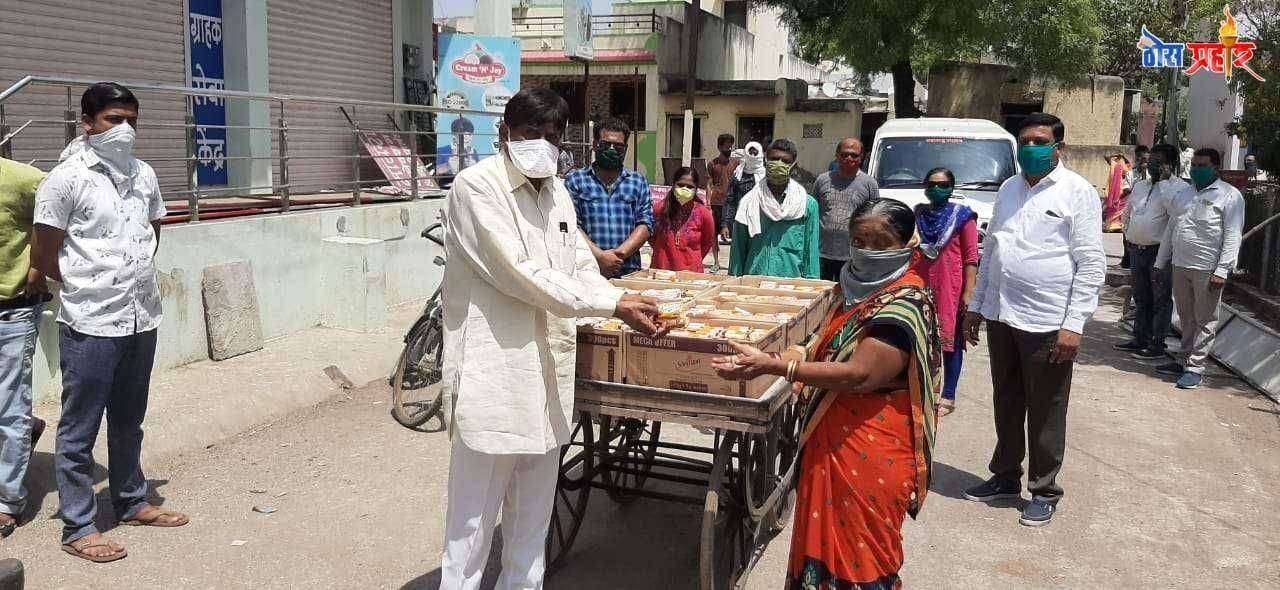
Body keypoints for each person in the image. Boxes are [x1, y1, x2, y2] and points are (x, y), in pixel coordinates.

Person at [437, 87, 662, 589]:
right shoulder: (477, 188)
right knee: (472, 529)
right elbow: (520, 273)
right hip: (495, 377)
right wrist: (612, 304)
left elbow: (577, 263)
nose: (541, 143)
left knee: (532, 523)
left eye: (552, 135)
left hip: (549, 377)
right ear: (505, 134)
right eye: (529, 133)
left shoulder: (558, 191)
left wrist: (621, 299)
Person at [711, 198, 941, 589]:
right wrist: (789, 353)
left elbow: (859, 374)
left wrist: (777, 367)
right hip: (832, 436)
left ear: (907, 244)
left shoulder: (904, 304)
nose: (866, 251)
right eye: (858, 240)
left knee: (861, 556)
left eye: (880, 243)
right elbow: (824, 340)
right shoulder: (852, 290)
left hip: (870, 450)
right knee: (822, 549)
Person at [31, 82, 189, 563]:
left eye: (131, 121)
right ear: (87, 123)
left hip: (141, 316)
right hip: (92, 321)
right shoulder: (65, 178)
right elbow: (44, 250)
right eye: (112, 120)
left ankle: (131, 500)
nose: (124, 130)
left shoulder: (143, 174)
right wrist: (86, 286)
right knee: (79, 428)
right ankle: (78, 526)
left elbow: (152, 230)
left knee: (129, 420)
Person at [960, 112, 1105, 527]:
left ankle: (1044, 489)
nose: (1030, 146)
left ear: (1057, 145)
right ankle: (1005, 475)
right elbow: (993, 252)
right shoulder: (1008, 189)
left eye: (1039, 140)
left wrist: (1074, 324)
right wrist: (977, 307)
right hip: (1004, 315)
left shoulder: (1077, 192)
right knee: (1006, 400)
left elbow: (1091, 264)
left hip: (1048, 320)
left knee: (1046, 407)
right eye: (1024, 139)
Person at [1153, 148, 1246, 390]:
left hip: (1208, 268)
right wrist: (1160, 262)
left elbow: (1233, 236)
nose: (1195, 169)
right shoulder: (1184, 194)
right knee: (1185, 316)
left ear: (1215, 167)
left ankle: (1195, 368)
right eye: (1193, 165)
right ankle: (1183, 359)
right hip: (1180, 265)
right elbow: (1171, 229)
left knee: (1205, 319)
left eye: (1201, 165)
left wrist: (1222, 270)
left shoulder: (1229, 196)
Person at [0, 156, 49, 540]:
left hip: (11, 313)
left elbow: (61, 215)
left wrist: (39, 267)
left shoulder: (22, 179)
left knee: (9, 407)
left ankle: (7, 502)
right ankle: (26, 432)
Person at [1114, 144, 1193, 361]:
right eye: (1152, 161)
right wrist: (1128, 235)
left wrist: (1165, 182)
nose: (1152, 165)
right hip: (1137, 249)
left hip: (1160, 252)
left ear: (1170, 163)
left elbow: (1175, 214)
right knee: (1141, 297)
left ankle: (1157, 343)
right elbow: (1128, 212)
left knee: (1160, 299)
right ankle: (1139, 337)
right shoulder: (1140, 185)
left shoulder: (1179, 189)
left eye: (1158, 161)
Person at [914, 167, 978, 417]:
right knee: (922, 336)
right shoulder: (919, 214)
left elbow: (971, 257)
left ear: (951, 188)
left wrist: (968, 292)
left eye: (942, 184)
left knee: (950, 341)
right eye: (932, 184)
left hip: (950, 286)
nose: (936, 189)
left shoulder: (963, 217)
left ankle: (949, 393)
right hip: (921, 282)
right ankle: (925, 387)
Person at [565, 117, 654, 278]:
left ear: (625, 149)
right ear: (594, 145)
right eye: (606, 145)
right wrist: (600, 257)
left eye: (618, 146)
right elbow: (571, 225)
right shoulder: (575, 180)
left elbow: (645, 224)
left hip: (629, 272)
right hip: (588, 271)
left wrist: (618, 256)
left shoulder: (638, 182)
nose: (612, 150)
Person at [727, 139, 820, 278]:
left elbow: (810, 254)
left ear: (794, 166)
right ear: (765, 161)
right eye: (774, 159)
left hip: (791, 289)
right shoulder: (749, 202)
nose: (779, 164)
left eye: (785, 161)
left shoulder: (806, 205)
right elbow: (738, 252)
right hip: (753, 287)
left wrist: (812, 289)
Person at [814, 138, 879, 281]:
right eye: (844, 154)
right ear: (837, 156)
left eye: (854, 155)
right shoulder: (822, 180)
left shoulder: (869, 184)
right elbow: (814, 213)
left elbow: (873, 219)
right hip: (822, 253)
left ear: (861, 158)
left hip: (853, 254)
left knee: (847, 296)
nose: (849, 158)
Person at [649, 167, 717, 272]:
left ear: (696, 189)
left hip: (691, 274)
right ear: (673, 185)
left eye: (690, 187)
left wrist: (693, 259)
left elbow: (707, 242)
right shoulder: (659, 209)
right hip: (661, 272)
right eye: (680, 185)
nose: (684, 189)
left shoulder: (703, 214)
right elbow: (651, 236)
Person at [721, 141, 764, 241]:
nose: (752, 156)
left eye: (755, 153)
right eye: (750, 153)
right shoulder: (738, 175)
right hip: (740, 222)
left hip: (761, 223)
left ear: (760, 154)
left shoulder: (766, 176)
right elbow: (730, 201)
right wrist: (725, 224)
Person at [706, 134, 738, 244]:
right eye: (726, 147)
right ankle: (716, 260)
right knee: (714, 233)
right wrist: (708, 203)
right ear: (719, 147)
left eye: (730, 147)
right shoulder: (712, 164)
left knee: (730, 235)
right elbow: (709, 184)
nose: (729, 149)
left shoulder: (736, 163)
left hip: (731, 203)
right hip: (717, 203)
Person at [1103, 153, 1132, 232]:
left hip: (1124, 192)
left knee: (1121, 210)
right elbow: (1106, 157)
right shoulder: (1118, 167)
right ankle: (1113, 225)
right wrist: (1115, 155)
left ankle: (1118, 225)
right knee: (1115, 208)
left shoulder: (1128, 169)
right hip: (1117, 191)